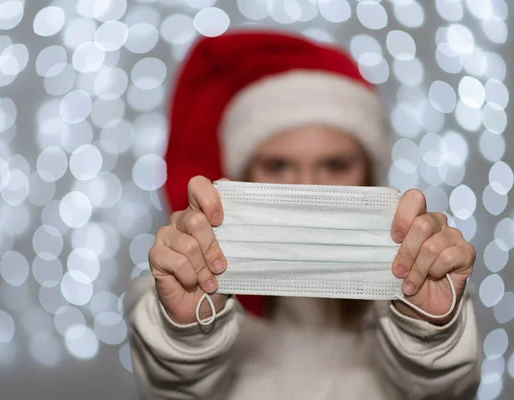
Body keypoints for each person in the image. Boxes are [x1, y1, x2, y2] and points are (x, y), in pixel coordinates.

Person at [128, 31, 481, 399]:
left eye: (335, 165)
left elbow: (448, 391)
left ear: (370, 174)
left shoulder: (420, 284)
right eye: (279, 166)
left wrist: (429, 328)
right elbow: (171, 389)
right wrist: (186, 330)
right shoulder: (176, 287)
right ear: (242, 176)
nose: (309, 189)